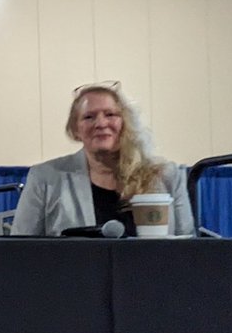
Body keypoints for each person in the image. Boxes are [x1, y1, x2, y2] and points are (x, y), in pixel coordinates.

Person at [12, 81, 193, 237]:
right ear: (75, 130)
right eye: (89, 117)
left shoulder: (166, 176)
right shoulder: (45, 177)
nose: (101, 123)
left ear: (125, 123)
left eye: (110, 115)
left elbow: (188, 248)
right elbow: (20, 249)